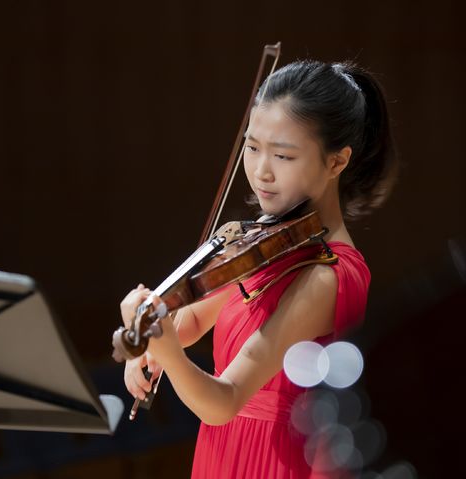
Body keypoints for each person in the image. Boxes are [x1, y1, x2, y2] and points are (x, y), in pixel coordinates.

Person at [120, 59, 398, 478]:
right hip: (223, 455)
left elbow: (224, 400)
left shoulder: (326, 275)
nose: (260, 171)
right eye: (252, 147)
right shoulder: (266, 245)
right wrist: (149, 336)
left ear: (337, 162)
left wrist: (169, 356)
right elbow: (192, 318)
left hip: (274, 461)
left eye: (283, 155)